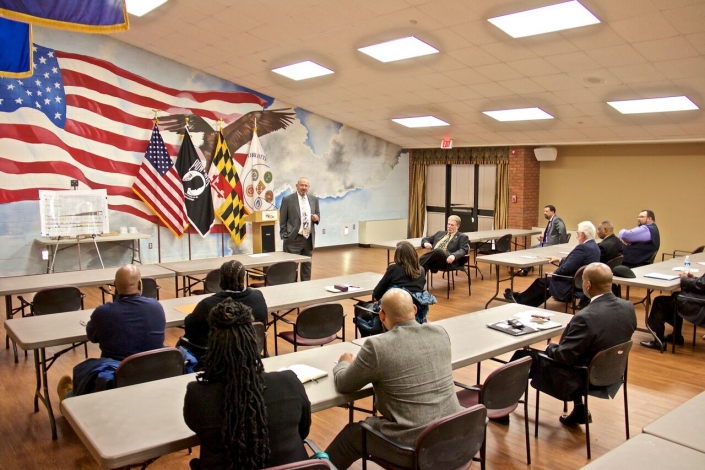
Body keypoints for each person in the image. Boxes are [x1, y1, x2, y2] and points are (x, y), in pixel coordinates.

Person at [325, 288, 461, 469]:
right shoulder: (440, 333)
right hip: (455, 432)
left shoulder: (377, 347)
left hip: (415, 445)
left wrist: (343, 364)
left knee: (351, 436)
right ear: (414, 309)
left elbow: (344, 384)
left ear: (381, 315)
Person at [183, 299, 311, 469]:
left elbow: (199, 430)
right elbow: (303, 432)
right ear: (253, 341)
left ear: (212, 344)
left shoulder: (198, 395)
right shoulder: (289, 382)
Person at [511, 263, 636, 425]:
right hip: (611, 371)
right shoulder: (628, 307)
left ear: (588, 284)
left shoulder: (586, 317)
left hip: (579, 377)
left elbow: (564, 357)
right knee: (586, 351)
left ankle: (499, 406)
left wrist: (550, 347)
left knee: (523, 356)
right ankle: (579, 410)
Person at [57, 265, 166, 399]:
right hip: (156, 370)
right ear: (140, 284)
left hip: (118, 375)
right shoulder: (156, 306)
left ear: (115, 286)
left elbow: (92, 337)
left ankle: (69, 398)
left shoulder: (103, 312)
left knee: (84, 370)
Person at [506, 221, 600, 307]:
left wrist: (555, 273)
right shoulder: (595, 247)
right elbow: (575, 264)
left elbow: (567, 268)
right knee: (545, 282)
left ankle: (520, 300)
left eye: (578, 234)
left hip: (570, 282)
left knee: (541, 282)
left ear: (583, 235)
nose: (576, 236)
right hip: (579, 281)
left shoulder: (582, 248)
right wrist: (559, 260)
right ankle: (524, 300)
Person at [185, 260, 268, 347]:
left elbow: (191, 329)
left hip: (216, 356)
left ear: (221, 280)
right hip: (250, 351)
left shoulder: (207, 304)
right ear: (243, 278)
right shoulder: (258, 296)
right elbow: (262, 319)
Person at [640, 272, 705, 349]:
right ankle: (676, 336)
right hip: (701, 299)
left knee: (659, 302)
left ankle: (658, 340)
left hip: (700, 303)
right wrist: (694, 279)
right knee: (675, 296)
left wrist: (685, 279)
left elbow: (702, 285)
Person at [279, 177, 320, 281]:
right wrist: (284, 235)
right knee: (291, 268)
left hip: (308, 239)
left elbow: (318, 215)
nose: (304, 188)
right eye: (302, 185)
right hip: (293, 239)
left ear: (309, 187)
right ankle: (292, 291)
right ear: (297, 186)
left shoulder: (314, 199)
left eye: (306, 186)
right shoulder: (288, 200)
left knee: (307, 267)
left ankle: (305, 289)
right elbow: (282, 219)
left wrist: (316, 218)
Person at [517, 204, 568, 276]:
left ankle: (524, 270)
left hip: (550, 245)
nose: (544, 213)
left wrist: (562, 244)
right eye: (544, 211)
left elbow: (562, 229)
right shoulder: (552, 220)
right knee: (531, 248)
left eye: (546, 211)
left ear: (553, 212)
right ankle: (524, 269)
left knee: (532, 250)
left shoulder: (556, 219)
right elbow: (553, 234)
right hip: (546, 242)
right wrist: (543, 238)